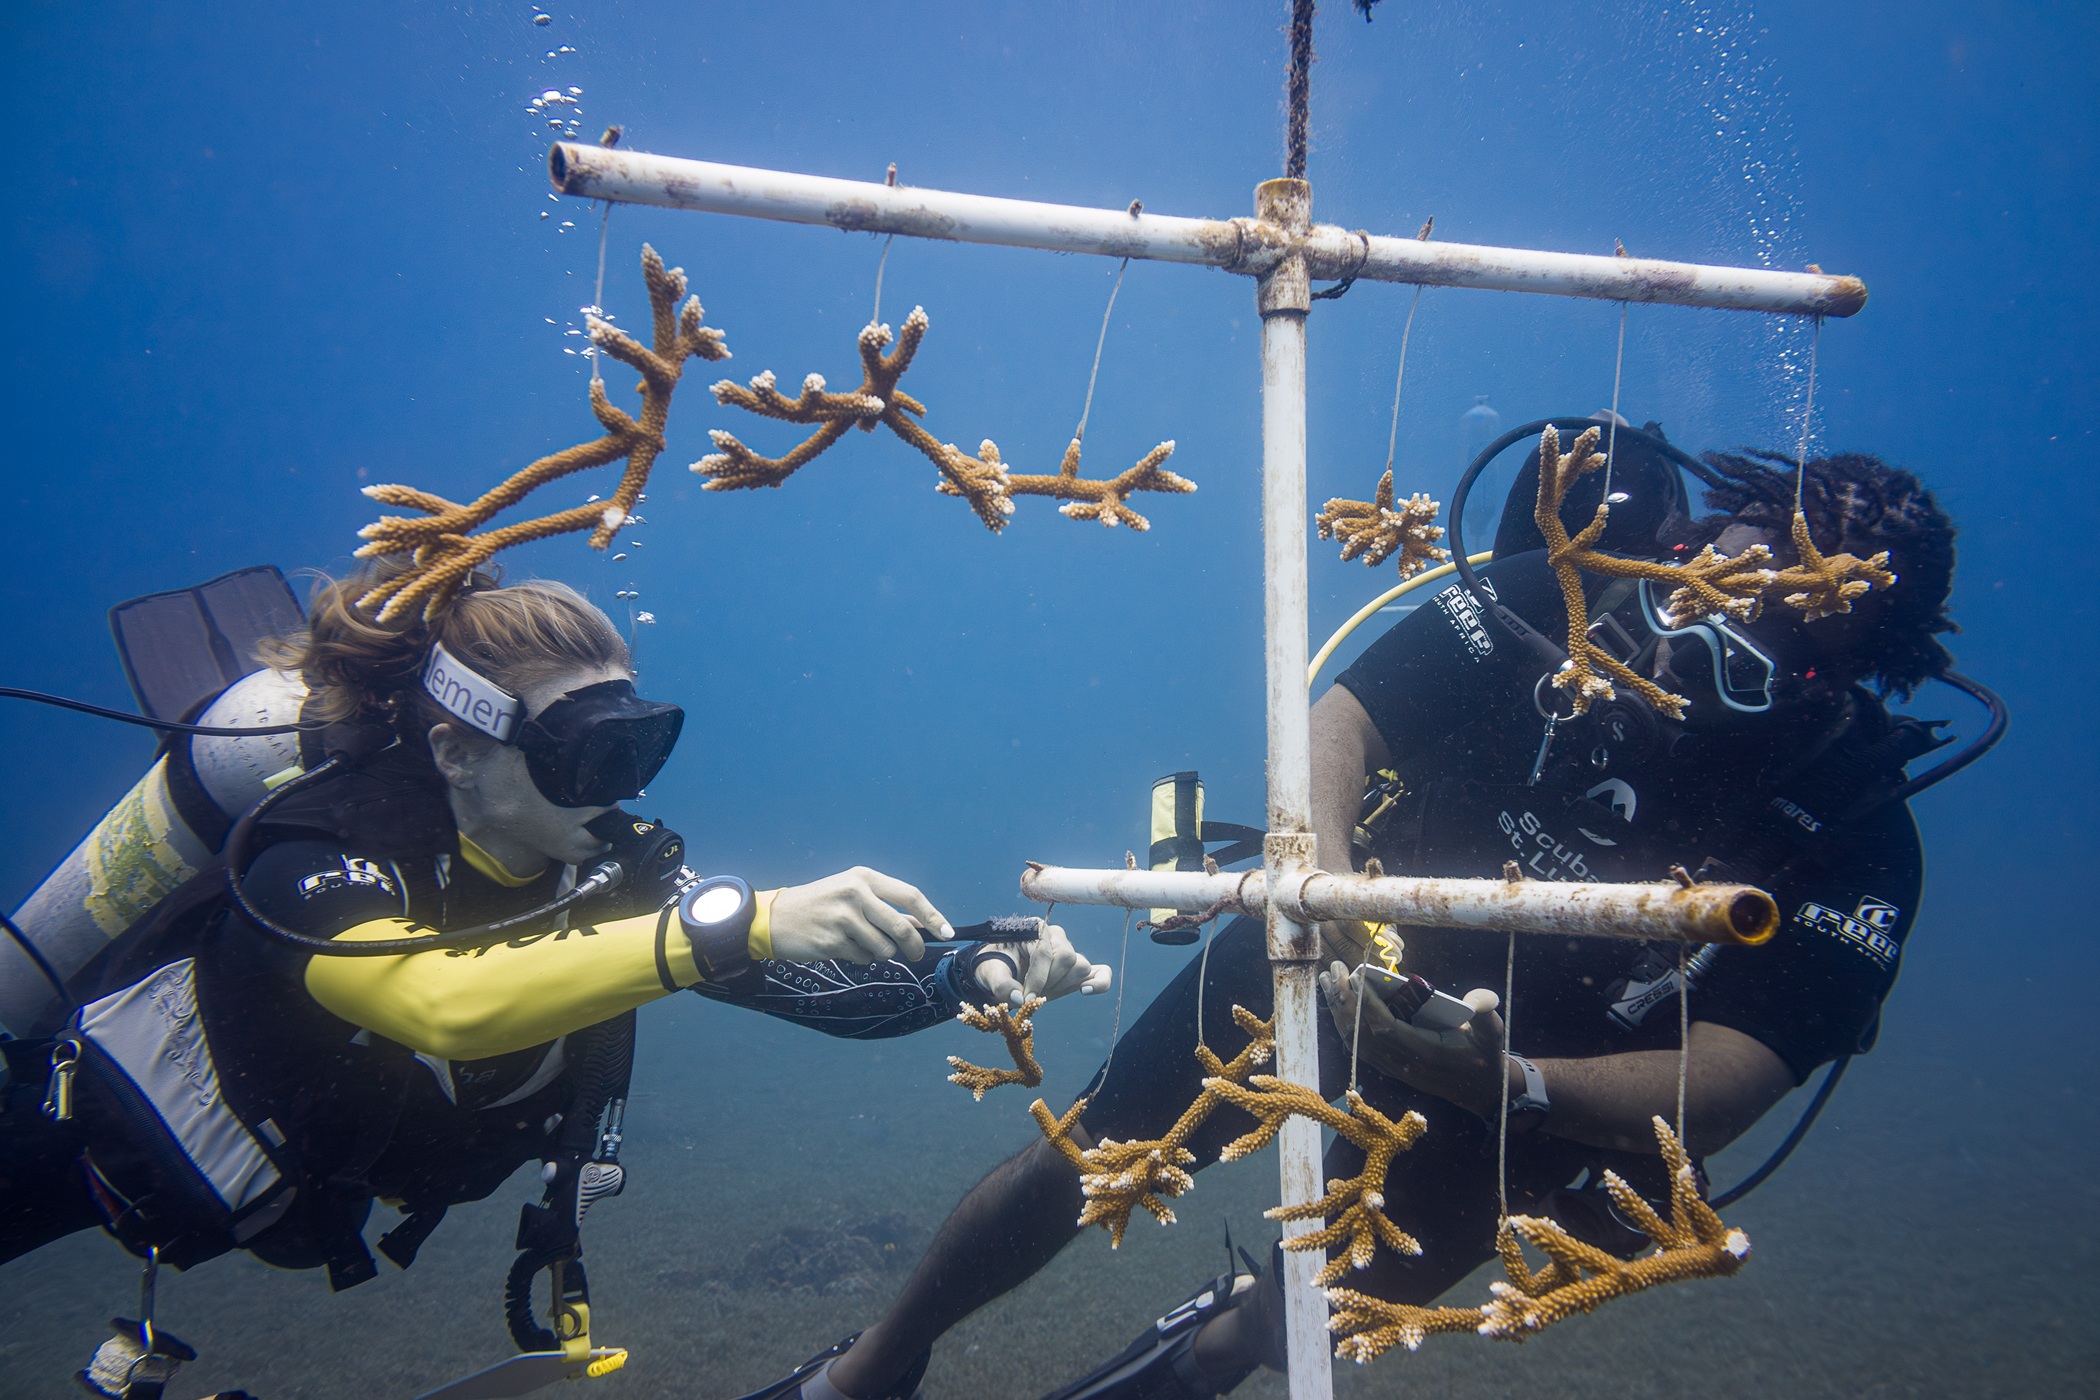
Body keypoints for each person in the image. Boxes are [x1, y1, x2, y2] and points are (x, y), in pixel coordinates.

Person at [748, 429, 1969, 1400]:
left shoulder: (1856, 824)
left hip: (1542, 1086)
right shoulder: (1554, 593)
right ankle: (868, 1370)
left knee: (1304, 1317)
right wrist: (1324, 903)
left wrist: (1519, 1084)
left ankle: (1216, 1342)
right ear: (1700, 528)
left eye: (1787, 641)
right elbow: (1348, 716)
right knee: (1090, 1153)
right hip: (1330, 949)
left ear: (1857, 673)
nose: (1722, 634)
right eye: (1724, 574)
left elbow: (1739, 1072)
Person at [0, 564, 1096, 1390]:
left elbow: (819, 992)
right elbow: (440, 1002)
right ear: (458, 750)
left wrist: (974, 967)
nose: (616, 788)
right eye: (585, 751)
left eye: (638, 746)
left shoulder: (604, 868)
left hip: (299, 1186)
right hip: (94, 1150)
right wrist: (737, 927)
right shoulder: (317, 849)